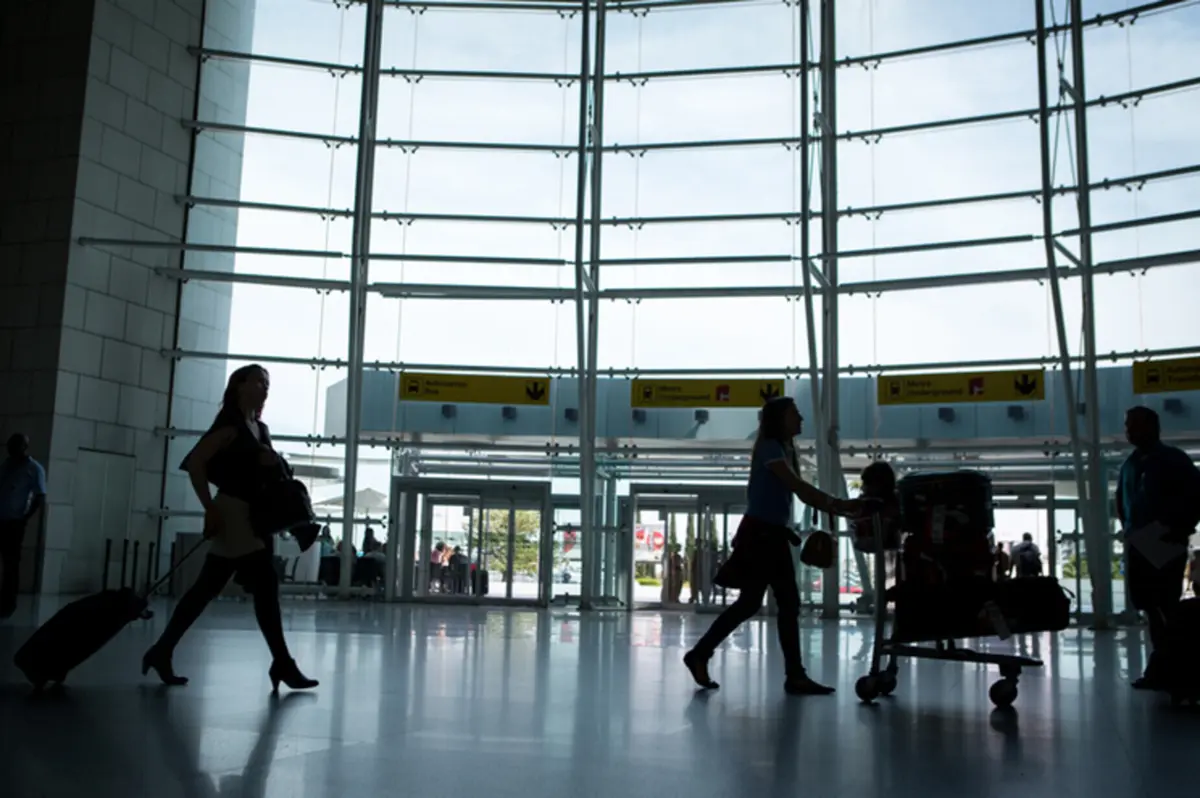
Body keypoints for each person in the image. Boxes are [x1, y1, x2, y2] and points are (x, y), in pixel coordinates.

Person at [142, 365, 318, 691]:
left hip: (252, 517)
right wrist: (208, 507)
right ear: (239, 385)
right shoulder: (230, 425)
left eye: (267, 384)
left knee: (207, 587)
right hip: (235, 514)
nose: (265, 388)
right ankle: (282, 663)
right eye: (258, 382)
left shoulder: (259, 429)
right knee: (264, 585)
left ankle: (162, 650)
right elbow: (195, 462)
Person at [683, 396, 862, 696]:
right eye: (795, 414)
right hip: (763, 537)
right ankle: (794, 675)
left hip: (768, 535)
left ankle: (701, 654)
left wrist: (836, 506)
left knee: (753, 603)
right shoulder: (770, 447)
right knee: (786, 602)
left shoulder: (782, 448)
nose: (801, 419)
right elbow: (798, 488)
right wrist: (838, 505)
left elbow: (795, 492)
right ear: (780, 419)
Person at [1115, 405, 1200, 690]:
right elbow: (1123, 503)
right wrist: (1128, 530)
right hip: (1139, 540)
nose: (1128, 430)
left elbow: (1194, 495)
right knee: (1149, 605)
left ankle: (1174, 666)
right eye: (1127, 425)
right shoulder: (1130, 464)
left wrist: (1178, 529)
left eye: (1134, 424)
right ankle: (1163, 664)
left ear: (1153, 427)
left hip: (1163, 539)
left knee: (1165, 604)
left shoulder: (1173, 460)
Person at [0, 434, 47, 618]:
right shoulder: (6, 465)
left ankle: (8, 603)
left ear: (23, 447)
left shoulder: (33, 469)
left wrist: (24, 518)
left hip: (13, 522)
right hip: (1, 519)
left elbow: (39, 496)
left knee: (11, 563)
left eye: (14, 445)